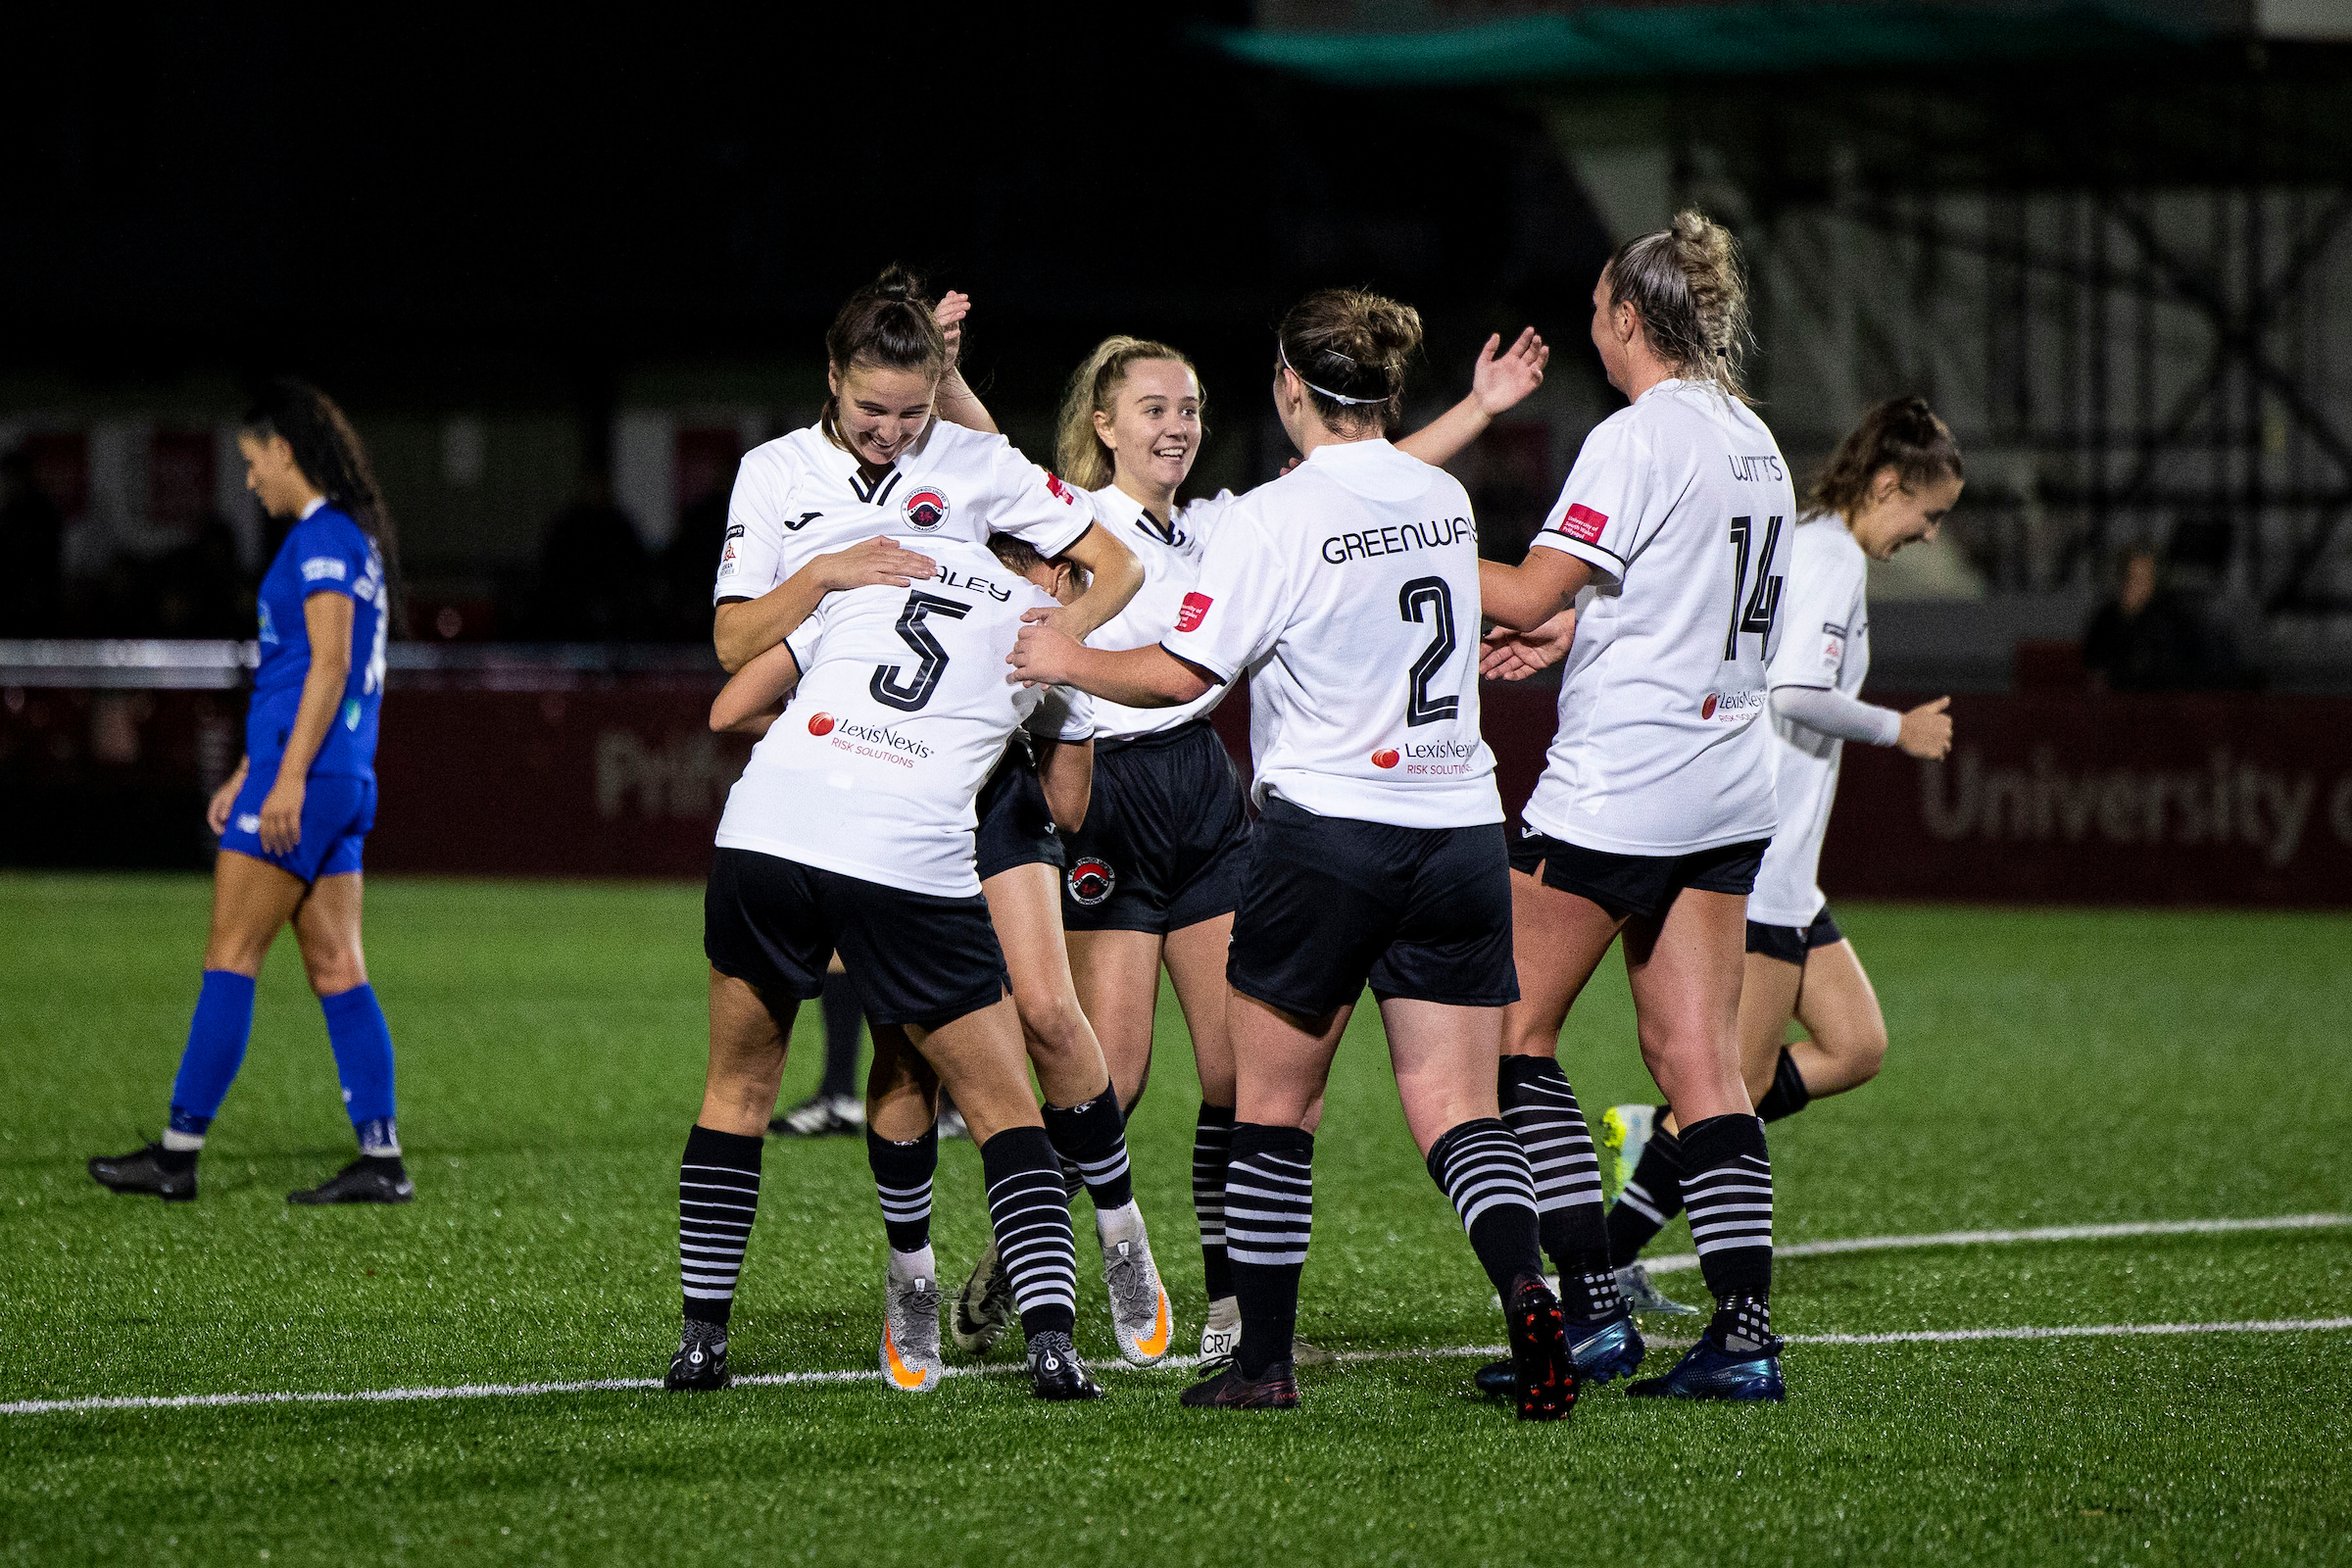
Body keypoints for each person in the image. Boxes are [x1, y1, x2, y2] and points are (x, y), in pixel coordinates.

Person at [1011, 289, 1579, 1420]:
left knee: (1271, 1108)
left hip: (1331, 833)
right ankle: (1528, 1287)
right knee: (1462, 1107)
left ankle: (1262, 1363)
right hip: (1462, 826)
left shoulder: (1275, 516)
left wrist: (1064, 660)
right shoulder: (1440, 496)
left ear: (1288, 387)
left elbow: (1182, 675)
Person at [703, 266, 1171, 1369]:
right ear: (831, 380)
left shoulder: (964, 454)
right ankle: (910, 1276)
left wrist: (1060, 637)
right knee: (901, 1056)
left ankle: (1119, 1230)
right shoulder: (773, 475)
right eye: (872, 410)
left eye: (912, 412)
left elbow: (1107, 562)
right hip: (869, 796)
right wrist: (823, 577)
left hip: (978, 775)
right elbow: (731, 656)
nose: (891, 433)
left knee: (1051, 1016)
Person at [1473, 211, 1794, 1402]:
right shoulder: (1749, 434)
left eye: (1600, 304)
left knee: (1512, 1034)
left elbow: (1522, 586)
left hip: (1624, 789)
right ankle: (1746, 1336)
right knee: (1699, 1058)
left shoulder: (1632, 437)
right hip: (1726, 779)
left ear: (1628, 319)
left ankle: (1595, 1307)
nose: (1591, 322)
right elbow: (1671, 592)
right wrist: (1577, 627)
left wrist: (1377, 528)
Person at [680, 530, 1106, 1400]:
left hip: (765, 827)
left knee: (736, 1093)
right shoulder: (1043, 629)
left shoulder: (872, 571)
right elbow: (1065, 808)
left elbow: (731, 705)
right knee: (1003, 1108)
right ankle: (1052, 1349)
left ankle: (701, 1344)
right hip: (901, 847)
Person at [1595, 395, 1962, 1315]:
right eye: (1930, 511)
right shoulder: (1832, 556)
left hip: (1788, 869)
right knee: (1736, 1084)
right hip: (1763, 864)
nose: (1929, 531)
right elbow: (1798, 688)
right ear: (1886, 486)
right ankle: (1599, 1267)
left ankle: (1659, 1142)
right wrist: (1896, 727)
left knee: (1857, 1045)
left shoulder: (1804, 539)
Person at [88, 380, 412, 1205]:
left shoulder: (322, 540)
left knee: (230, 956)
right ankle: (381, 1157)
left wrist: (285, 777)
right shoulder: (351, 540)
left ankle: (177, 1153)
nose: (247, 479)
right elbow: (300, 672)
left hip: (309, 776)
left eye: (251, 460)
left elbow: (330, 664)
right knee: (338, 966)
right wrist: (247, 770)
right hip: (338, 774)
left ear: (286, 451)